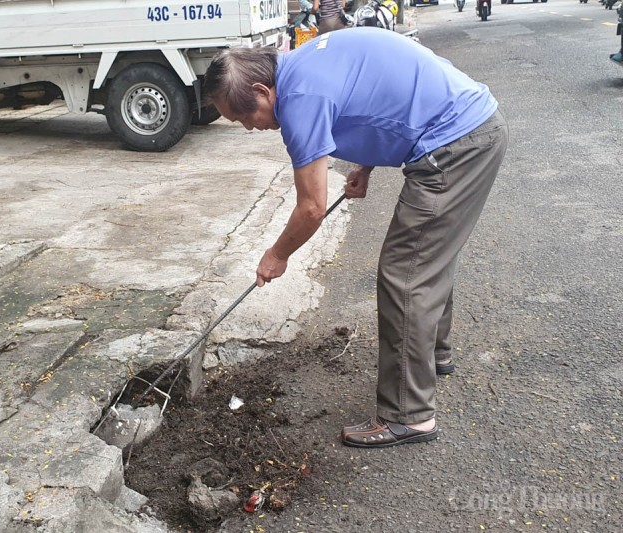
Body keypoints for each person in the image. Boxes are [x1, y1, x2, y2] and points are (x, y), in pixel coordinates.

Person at [204, 28, 508, 448]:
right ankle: (433, 356)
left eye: (243, 117)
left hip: (457, 144)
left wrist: (277, 255)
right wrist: (365, 164)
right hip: (471, 127)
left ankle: (408, 415)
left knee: (406, 273)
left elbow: (312, 207)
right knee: (428, 255)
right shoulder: (303, 64)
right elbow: (376, 96)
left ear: (261, 91)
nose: (248, 128)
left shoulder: (299, 100)